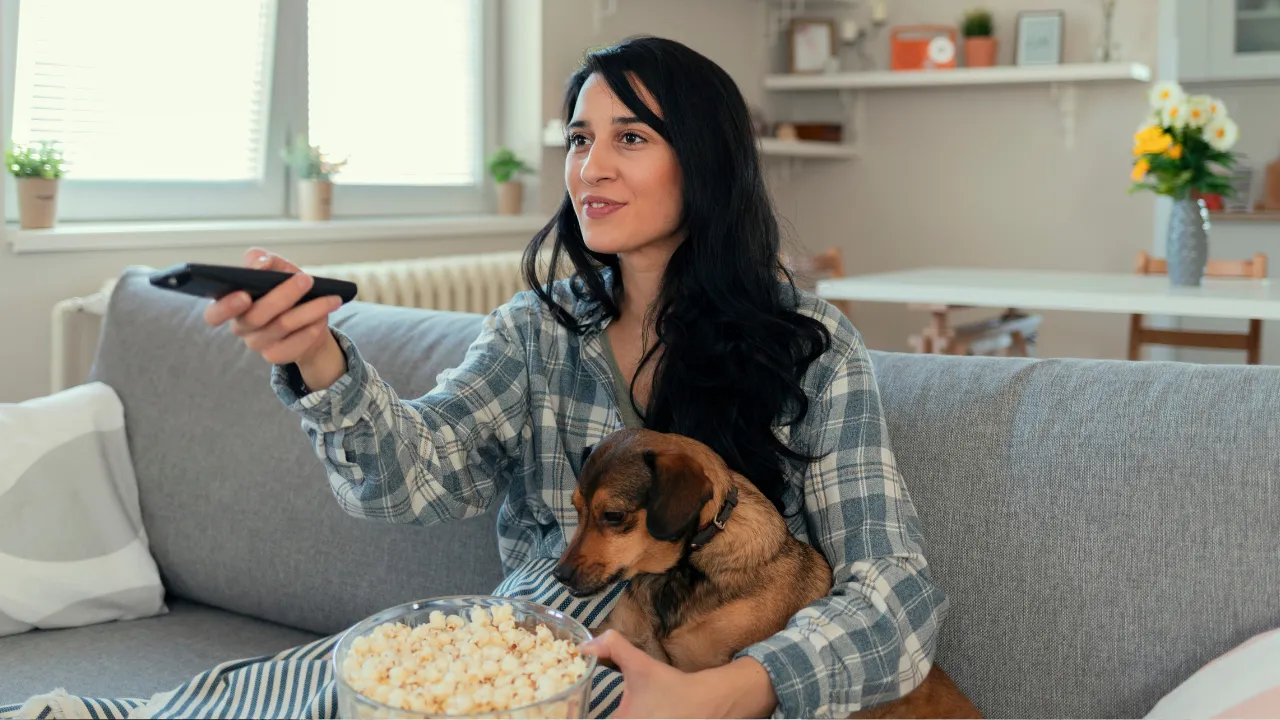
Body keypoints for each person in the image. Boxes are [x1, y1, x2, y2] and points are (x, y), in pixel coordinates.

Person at [205, 35, 948, 719]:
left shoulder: (810, 350)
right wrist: (317, 357)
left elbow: (895, 596)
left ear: (706, 160)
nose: (590, 167)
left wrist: (730, 690)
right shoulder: (533, 332)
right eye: (580, 139)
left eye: (630, 137)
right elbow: (413, 480)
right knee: (325, 682)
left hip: (702, 683)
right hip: (529, 654)